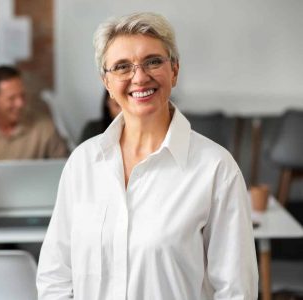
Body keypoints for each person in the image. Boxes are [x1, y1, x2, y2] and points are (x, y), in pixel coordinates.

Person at [37, 12, 258, 299]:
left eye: (153, 61)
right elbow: (55, 275)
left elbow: (236, 291)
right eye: (122, 67)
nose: (139, 77)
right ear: (106, 83)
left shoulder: (215, 168)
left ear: (174, 70)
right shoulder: (84, 162)